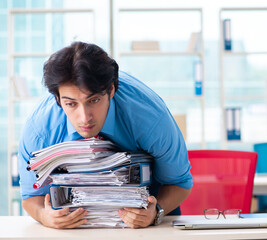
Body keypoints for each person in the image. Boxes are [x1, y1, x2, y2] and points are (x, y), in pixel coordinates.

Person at [18, 42, 192, 229]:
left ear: (111, 90)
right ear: (58, 99)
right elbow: (31, 197)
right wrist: (44, 216)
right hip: (75, 230)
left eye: (94, 100)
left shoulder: (151, 120)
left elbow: (180, 183)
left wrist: (156, 211)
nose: (84, 118)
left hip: (143, 227)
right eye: (71, 104)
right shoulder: (39, 131)